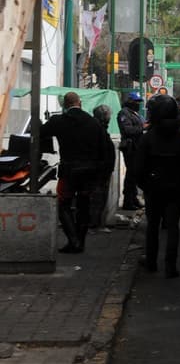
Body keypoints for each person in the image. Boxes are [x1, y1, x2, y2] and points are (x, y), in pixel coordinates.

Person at [135, 94, 180, 278]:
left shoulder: (148, 138)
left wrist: (145, 186)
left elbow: (138, 168)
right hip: (176, 190)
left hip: (154, 189)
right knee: (173, 227)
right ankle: (171, 266)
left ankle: (151, 262)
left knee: (152, 226)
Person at [40, 92, 106, 253]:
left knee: (63, 204)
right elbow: (102, 148)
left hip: (68, 170)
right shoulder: (93, 122)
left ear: (65, 105)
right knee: (84, 204)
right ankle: (80, 242)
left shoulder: (58, 121)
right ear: (80, 103)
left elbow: (41, 132)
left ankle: (73, 240)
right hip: (89, 171)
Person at [89, 105, 117, 228]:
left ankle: (96, 223)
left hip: (102, 169)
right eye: (108, 115)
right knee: (97, 198)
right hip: (100, 170)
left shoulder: (98, 128)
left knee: (99, 198)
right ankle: (94, 224)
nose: (109, 118)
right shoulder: (98, 129)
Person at [117, 91, 145, 209]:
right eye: (136, 102)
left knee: (134, 175)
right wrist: (142, 127)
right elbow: (128, 130)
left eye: (139, 102)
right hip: (130, 147)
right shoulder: (124, 113)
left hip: (137, 147)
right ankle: (128, 201)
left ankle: (133, 199)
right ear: (129, 101)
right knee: (131, 175)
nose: (137, 104)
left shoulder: (135, 113)